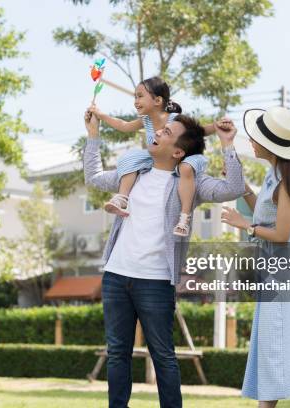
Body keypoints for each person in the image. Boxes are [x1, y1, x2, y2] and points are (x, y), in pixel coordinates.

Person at [83, 107, 245, 408]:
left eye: (167, 132)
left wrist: (227, 144)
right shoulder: (133, 173)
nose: (158, 132)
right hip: (117, 275)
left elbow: (233, 187)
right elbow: (93, 177)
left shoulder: (190, 182)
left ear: (179, 152)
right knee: (117, 352)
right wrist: (93, 135)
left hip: (156, 281)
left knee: (163, 355)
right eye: (162, 129)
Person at [219, 106, 290, 408]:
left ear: (271, 145)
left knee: (279, 337)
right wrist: (244, 189)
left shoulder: (286, 182)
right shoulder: (274, 175)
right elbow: (263, 211)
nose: (251, 141)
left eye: (256, 138)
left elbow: (279, 233)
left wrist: (245, 226)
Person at [89, 76, 216, 237]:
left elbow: (199, 131)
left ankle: (184, 218)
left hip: (183, 157)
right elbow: (124, 126)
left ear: (157, 100)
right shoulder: (146, 120)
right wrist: (100, 115)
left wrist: (216, 127)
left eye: (140, 96)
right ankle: (122, 198)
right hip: (159, 159)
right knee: (131, 157)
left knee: (185, 169)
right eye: (135, 96)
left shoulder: (174, 120)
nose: (136, 101)